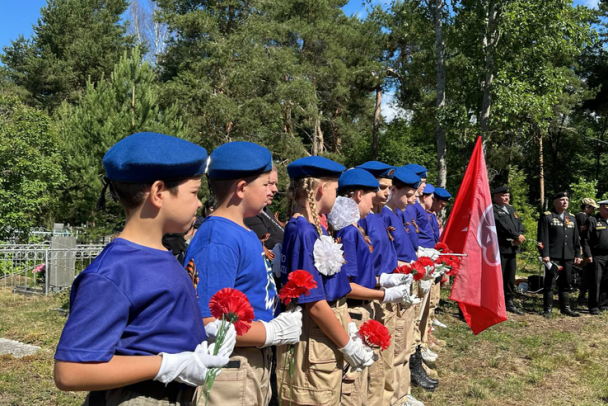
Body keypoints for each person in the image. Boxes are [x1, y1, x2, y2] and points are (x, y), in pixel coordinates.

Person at [54, 132, 236, 405]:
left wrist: (201, 330)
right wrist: (166, 365)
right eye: (195, 193)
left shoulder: (162, 254)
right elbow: (70, 372)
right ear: (159, 193)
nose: (200, 204)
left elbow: (148, 327)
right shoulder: (113, 273)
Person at [183, 141, 303, 406]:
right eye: (266, 184)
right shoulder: (219, 238)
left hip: (251, 362)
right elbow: (205, 322)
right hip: (228, 370)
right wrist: (270, 333)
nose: (274, 189)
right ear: (241, 188)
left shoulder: (243, 231)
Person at [277, 156, 374, 406]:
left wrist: (348, 324)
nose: (337, 196)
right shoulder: (303, 231)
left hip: (327, 327)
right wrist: (347, 346)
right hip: (316, 333)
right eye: (335, 189)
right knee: (317, 397)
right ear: (321, 189)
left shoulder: (310, 227)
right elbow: (315, 303)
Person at [333, 168, 410, 406]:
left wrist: (385, 281)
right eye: (371, 194)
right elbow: (347, 286)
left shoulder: (355, 229)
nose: (374, 200)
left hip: (367, 307)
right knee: (354, 389)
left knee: (371, 381)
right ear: (358, 195)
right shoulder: (348, 232)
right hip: (356, 312)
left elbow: (362, 277)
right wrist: (385, 293)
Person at [537, 191, 582, 318]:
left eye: (567, 200)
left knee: (566, 282)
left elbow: (576, 239)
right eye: (562, 199)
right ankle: (547, 309)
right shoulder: (547, 217)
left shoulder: (571, 218)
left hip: (568, 255)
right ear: (555, 202)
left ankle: (565, 308)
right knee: (550, 282)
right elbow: (542, 238)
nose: (565, 202)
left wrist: (577, 254)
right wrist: (545, 254)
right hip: (553, 256)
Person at [491, 186, 526, 315]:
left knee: (510, 277)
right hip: (500, 247)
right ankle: (496, 302)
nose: (506, 198)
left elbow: (519, 224)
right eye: (503, 195)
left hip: (512, 248)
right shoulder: (493, 209)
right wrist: (515, 235)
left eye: (507, 196)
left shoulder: (511, 209)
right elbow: (500, 225)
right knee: (499, 276)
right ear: (495, 196)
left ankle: (509, 301)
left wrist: (520, 235)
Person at [245, 165, 284, 254]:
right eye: (269, 183)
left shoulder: (264, 209)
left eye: (275, 184)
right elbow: (266, 242)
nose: (275, 189)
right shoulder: (250, 212)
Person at [582, 200, 608, 315]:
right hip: (596, 255)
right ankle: (593, 306)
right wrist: (588, 255)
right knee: (595, 281)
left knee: (606, 281)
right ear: (601, 208)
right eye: (607, 207)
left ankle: (604, 304)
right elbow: (585, 239)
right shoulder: (593, 220)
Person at [575, 198, 599, 305]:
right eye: (592, 208)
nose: (593, 210)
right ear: (586, 207)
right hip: (581, 247)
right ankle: (582, 294)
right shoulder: (582, 217)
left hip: (583, 247)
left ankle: (582, 294)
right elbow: (582, 233)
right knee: (585, 271)